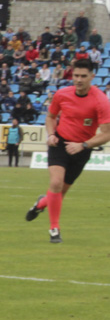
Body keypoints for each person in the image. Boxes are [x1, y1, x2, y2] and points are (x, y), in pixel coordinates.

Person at [24, 59, 110, 243]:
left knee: (60, 193)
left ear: (92, 77)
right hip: (60, 143)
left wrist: (84, 145)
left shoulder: (101, 101)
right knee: (56, 183)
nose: (78, 80)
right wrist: (51, 134)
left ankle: (41, 203)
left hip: (82, 148)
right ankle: (54, 229)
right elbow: (50, 116)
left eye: (83, 76)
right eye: (76, 75)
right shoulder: (62, 94)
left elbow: (107, 134)